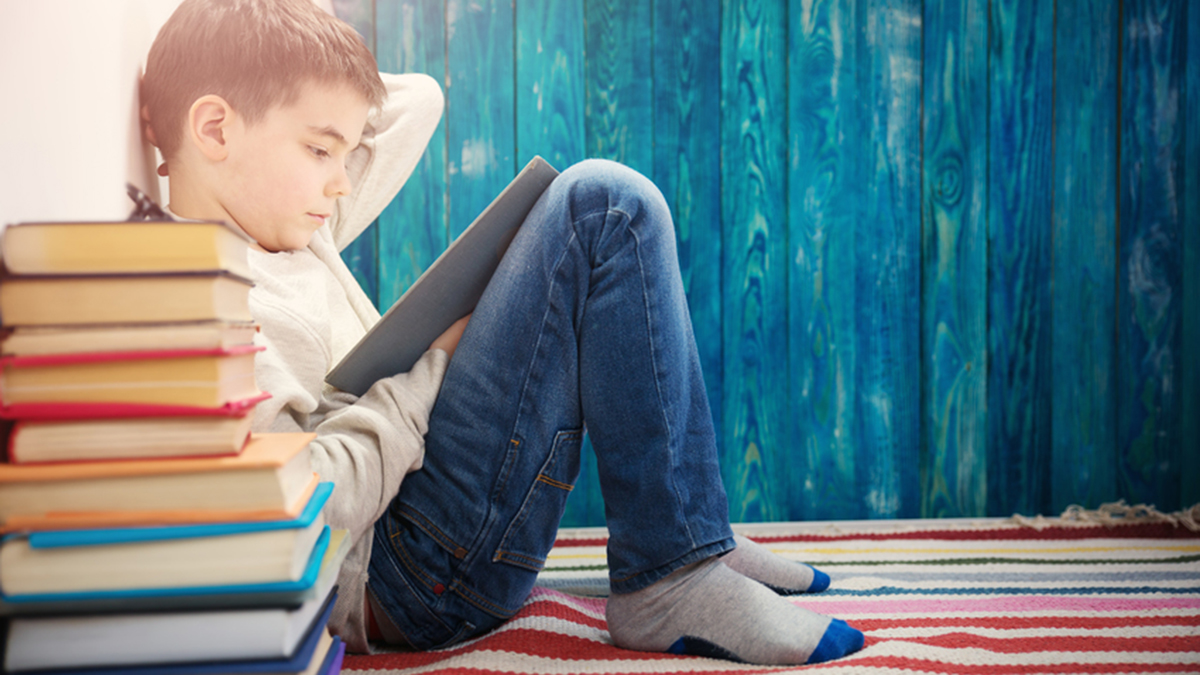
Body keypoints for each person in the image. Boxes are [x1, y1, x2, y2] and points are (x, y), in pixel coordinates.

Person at [141, 0, 864, 665]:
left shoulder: (285, 223)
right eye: (321, 149)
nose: (339, 182)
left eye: (343, 152)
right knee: (603, 206)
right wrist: (428, 372)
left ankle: (682, 531)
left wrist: (286, 37)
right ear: (214, 129)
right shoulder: (213, 298)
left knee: (602, 208)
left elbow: (417, 100)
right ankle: (670, 574)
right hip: (398, 575)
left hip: (421, 519)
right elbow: (304, 505)